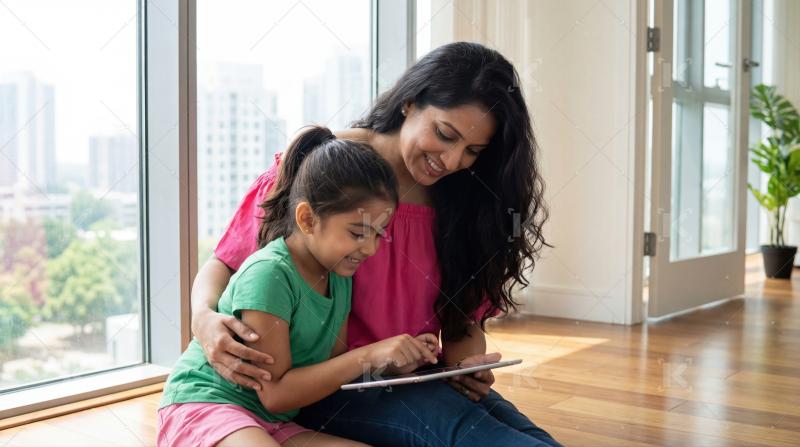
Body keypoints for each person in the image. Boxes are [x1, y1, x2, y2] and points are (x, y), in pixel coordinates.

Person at [192, 42, 562, 446]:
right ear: (409, 102)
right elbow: (226, 265)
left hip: (411, 374)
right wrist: (202, 319)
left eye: (472, 151)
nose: (453, 160)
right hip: (330, 385)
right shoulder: (324, 168)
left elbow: (462, 322)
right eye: (444, 134)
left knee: (524, 435)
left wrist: (465, 367)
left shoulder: (463, 198)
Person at [157, 127, 441, 446]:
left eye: (379, 233)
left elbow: (330, 371)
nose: (371, 249)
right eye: (358, 233)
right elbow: (276, 393)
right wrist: (370, 354)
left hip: (273, 423)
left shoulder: (339, 277)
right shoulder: (269, 275)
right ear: (307, 219)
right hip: (208, 406)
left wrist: (394, 362)